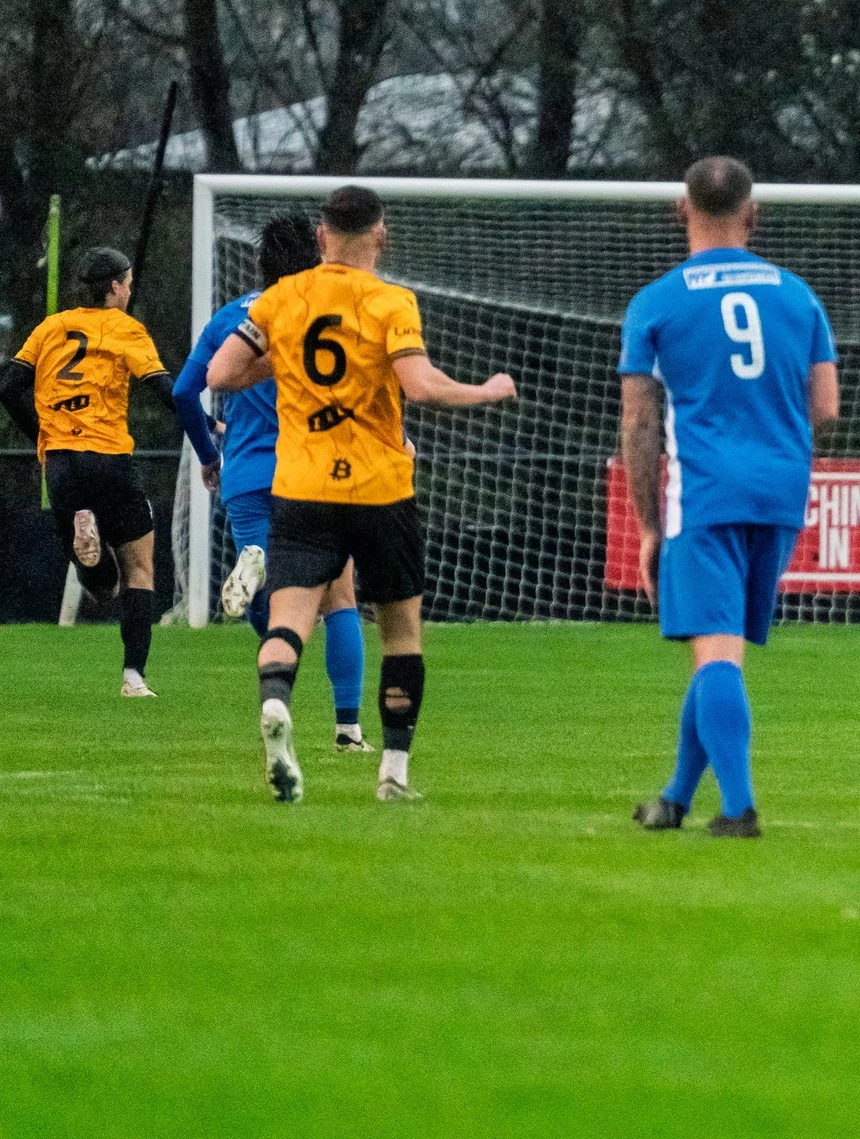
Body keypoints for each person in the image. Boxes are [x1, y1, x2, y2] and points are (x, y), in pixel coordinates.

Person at [207, 185, 516, 804]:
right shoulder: (390, 301)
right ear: (382, 235)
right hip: (379, 492)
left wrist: (284, 363)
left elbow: (220, 374)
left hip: (301, 491)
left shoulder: (280, 298)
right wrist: (485, 389)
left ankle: (276, 704)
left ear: (321, 238)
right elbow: (421, 386)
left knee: (290, 618)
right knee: (400, 631)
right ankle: (393, 773)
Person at [621, 157, 841, 839]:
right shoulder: (797, 295)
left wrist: (650, 526)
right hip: (779, 487)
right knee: (723, 649)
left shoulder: (657, 302)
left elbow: (638, 423)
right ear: (753, 214)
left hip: (704, 491)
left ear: (680, 210)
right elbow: (826, 407)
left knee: (714, 651)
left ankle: (740, 807)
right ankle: (675, 797)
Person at [171, 214, 370, 750]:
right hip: (313, 471)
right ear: (317, 259)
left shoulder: (234, 320)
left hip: (245, 475)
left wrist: (211, 455)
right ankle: (348, 729)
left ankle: (257, 565)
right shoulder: (327, 317)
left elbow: (184, 393)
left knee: (275, 604)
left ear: (261, 264)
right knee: (338, 598)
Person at [1, 248, 176, 697]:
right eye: (129, 284)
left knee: (99, 584)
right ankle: (133, 676)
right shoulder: (126, 328)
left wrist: (43, 431)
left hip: (60, 462)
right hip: (109, 458)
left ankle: (87, 539)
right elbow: (161, 388)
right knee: (139, 570)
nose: (130, 291)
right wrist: (203, 424)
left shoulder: (51, 327)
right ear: (114, 287)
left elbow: (8, 387)